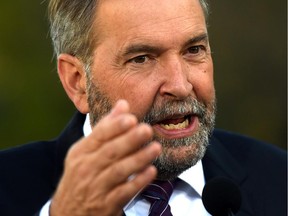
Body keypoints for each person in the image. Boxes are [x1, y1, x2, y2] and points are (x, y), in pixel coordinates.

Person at [0, 0, 286, 215]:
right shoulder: (8, 188)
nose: (180, 85)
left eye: (193, 50)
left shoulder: (278, 180)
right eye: (142, 58)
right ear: (78, 81)